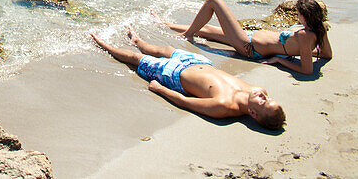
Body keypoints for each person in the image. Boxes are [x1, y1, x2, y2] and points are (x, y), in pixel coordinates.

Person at [91, 29, 285, 130]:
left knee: (136, 60)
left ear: (252, 113)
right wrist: (263, 99)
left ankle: (103, 44)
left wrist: (160, 89)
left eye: (263, 102)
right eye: (268, 98)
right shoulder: (257, 90)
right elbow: (260, 97)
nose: (264, 96)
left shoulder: (224, 106)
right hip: (199, 61)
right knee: (162, 50)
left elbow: (187, 102)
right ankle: (138, 41)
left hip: (175, 75)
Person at [161, 0, 331, 76]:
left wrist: (280, 60)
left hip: (248, 47)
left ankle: (187, 36)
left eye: (298, 13)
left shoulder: (305, 36)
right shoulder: (319, 28)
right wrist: (303, 53)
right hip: (249, 37)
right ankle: (165, 24)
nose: (297, 16)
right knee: (204, 29)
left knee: (213, 1)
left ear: (304, 15)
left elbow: (307, 70)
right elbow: (326, 54)